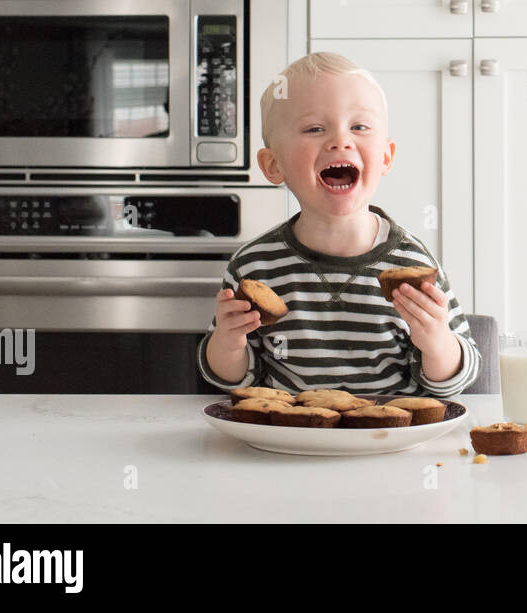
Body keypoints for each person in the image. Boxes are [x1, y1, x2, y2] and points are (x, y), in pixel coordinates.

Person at [197, 51, 480, 396]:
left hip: (388, 441)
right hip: (290, 440)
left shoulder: (413, 265)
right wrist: (227, 343)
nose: (340, 140)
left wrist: (437, 343)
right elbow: (233, 380)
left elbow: (460, 377)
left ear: (386, 156)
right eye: (315, 128)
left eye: (359, 126)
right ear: (273, 165)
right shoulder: (254, 266)